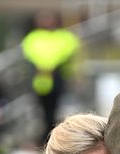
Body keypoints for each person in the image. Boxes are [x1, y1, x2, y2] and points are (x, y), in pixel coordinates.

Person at [21, 11, 81, 144]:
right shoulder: (33, 37)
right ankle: (46, 136)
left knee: (55, 110)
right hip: (40, 80)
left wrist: (49, 66)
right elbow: (30, 53)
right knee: (43, 111)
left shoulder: (64, 36)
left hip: (56, 78)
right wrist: (43, 66)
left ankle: (51, 137)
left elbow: (67, 52)